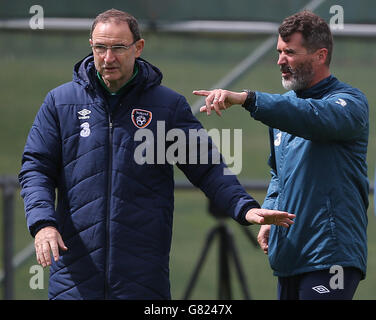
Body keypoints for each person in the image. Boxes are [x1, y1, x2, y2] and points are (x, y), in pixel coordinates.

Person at [19, 9, 295, 300]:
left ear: (138, 48)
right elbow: (36, 168)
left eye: (118, 48)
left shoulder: (166, 107)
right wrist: (43, 223)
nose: (108, 57)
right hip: (73, 279)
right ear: (91, 45)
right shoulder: (60, 102)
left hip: (141, 279)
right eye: (100, 47)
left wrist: (244, 207)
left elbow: (207, 167)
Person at [194, 10, 369, 300]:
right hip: (289, 255)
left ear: (320, 55)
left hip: (331, 258)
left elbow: (312, 117)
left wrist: (248, 99)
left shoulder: (349, 103)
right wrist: (270, 211)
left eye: (289, 52)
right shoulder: (284, 108)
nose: (280, 61)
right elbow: (280, 173)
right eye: (278, 51)